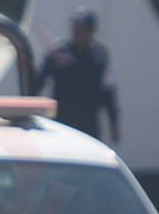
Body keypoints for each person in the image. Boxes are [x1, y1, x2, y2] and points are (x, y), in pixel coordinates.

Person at [37, 9, 119, 141]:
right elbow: (38, 82)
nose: (81, 34)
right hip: (62, 121)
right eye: (77, 29)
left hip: (89, 123)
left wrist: (114, 124)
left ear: (92, 31)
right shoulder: (58, 53)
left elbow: (108, 90)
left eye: (85, 30)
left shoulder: (100, 55)